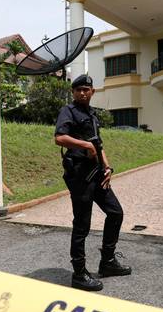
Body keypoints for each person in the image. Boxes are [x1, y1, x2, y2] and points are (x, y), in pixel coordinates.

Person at [54, 74, 131, 292]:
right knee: (82, 225)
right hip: (79, 175)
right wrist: (85, 146)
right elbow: (60, 137)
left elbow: (99, 145)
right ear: (73, 92)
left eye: (86, 89)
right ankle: (79, 274)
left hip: (97, 174)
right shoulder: (68, 111)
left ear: (92, 91)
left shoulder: (93, 115)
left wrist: (107, 167)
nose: (82, 93)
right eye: (78, 89)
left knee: (115, 212)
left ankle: (107, 262)